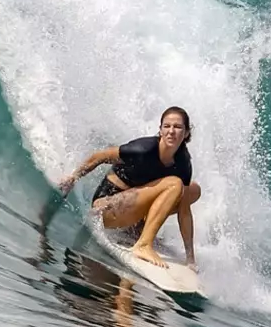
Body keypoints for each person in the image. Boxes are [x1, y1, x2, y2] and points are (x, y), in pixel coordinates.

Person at [57, 107, 202, 269]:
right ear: (160, 130)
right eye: (166, 126)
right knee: (174, 184)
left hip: (132, 211)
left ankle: (138, 230)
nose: (171, 131)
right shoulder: (143, 149)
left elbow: (184, 210)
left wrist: (190, 258)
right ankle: (143, 245)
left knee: (192, 190)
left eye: (178, 127)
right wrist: (74, 177)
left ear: (187, 133)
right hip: (107, 209)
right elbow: (100, 156)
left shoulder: (183, 162)